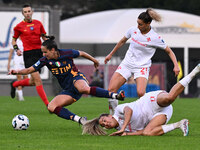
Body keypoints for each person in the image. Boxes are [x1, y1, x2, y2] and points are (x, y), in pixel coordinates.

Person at [9, 37, 125, 125]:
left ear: (53, 50)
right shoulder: (45, 60)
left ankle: (115, 96)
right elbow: (30, 69)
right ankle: (80, 120)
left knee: (83, 88)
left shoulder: (67, 53)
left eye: (45, 52)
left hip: (77, 78)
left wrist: (94, 60)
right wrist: (17, 71)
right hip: (68, 90)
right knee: (51, 107)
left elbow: (82, 53)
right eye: (42, 52)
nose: (43, 54)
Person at [82, 63, 200, 136]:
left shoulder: (118, 110)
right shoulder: (120, 130)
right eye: (104, 125)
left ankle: (195, 71)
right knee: (148, 133)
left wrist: (123, 128)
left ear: (109, 115)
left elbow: (129, 110)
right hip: (158, 115)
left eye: (104, 120)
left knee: (169, 98)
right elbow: (141, 132)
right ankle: (180, 124)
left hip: (149, 102)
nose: (106, 123)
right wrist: (126, 134)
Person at [104, 8, 180, 115]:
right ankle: (114, 117)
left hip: (142, 67)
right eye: (137, 23)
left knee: (141, 93)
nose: (138, 26)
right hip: (127, 63)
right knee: (111, 90)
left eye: (140, 24)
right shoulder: (133, 30)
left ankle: (147, 115)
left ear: (148, 24)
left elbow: (169, 51)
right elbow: (122, 41)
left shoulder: (155, 37)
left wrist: (176, 66)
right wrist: (110, 54)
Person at [10, 4, 49, 106]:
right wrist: (16, 49)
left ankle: (14, 84)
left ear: (32, 12)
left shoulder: (38, 23)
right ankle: (48, 105)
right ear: (23, 14)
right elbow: (13, 40)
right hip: (29, 55)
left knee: (33, 81)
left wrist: (49, 42)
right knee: (38, 80)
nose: (27, 13)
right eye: (25, 12)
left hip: (39, 53)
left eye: (29, 11)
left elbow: (44, 37)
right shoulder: (18, 27)